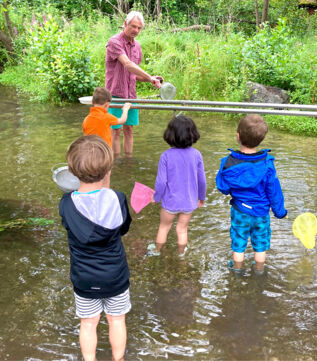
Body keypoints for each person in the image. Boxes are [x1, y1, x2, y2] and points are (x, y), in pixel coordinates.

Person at [59, 135, 132, 361]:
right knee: (117, 319)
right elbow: (122, 229)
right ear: (108, 169)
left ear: (72, 171)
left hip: (84, 277)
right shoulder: (117, 198)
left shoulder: (66, 203)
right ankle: (117, 359)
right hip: (115, 276)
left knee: (88, 324)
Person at [215, 114, 287, 275]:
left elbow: (223, 187)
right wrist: (280, 212)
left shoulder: (227, 163)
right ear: (261, 140)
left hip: (240, 210)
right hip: (261, 212)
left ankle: (237, 271)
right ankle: (259, 271)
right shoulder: (267, 164)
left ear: (238, 136)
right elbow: (274, 190)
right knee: (260, 244)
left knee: (239, 241)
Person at [105, 11, 163, 156]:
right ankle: (116, 162)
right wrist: (149, 77)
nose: (136, 30)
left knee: (129, 129)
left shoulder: (137, 47)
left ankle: (128, 163)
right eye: (133, 26)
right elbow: (128, 64)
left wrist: (152, 79)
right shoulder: (114, 42)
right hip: (116, 94)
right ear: (125, 23)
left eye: (139, 28)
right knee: (116, 129)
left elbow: (134, 74)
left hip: (131, 95)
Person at [150, 115, 207, 256]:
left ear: (170, 135)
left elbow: (161, 182)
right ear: (193, 134)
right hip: (189, 202)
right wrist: (201, 197)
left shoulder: (166, 156)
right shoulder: (197, 155)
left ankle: (156, 251)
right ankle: (181, 255)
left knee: (164, 227)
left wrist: (156, 197)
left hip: (170, 203)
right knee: (182, 229)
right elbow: (202, 180)